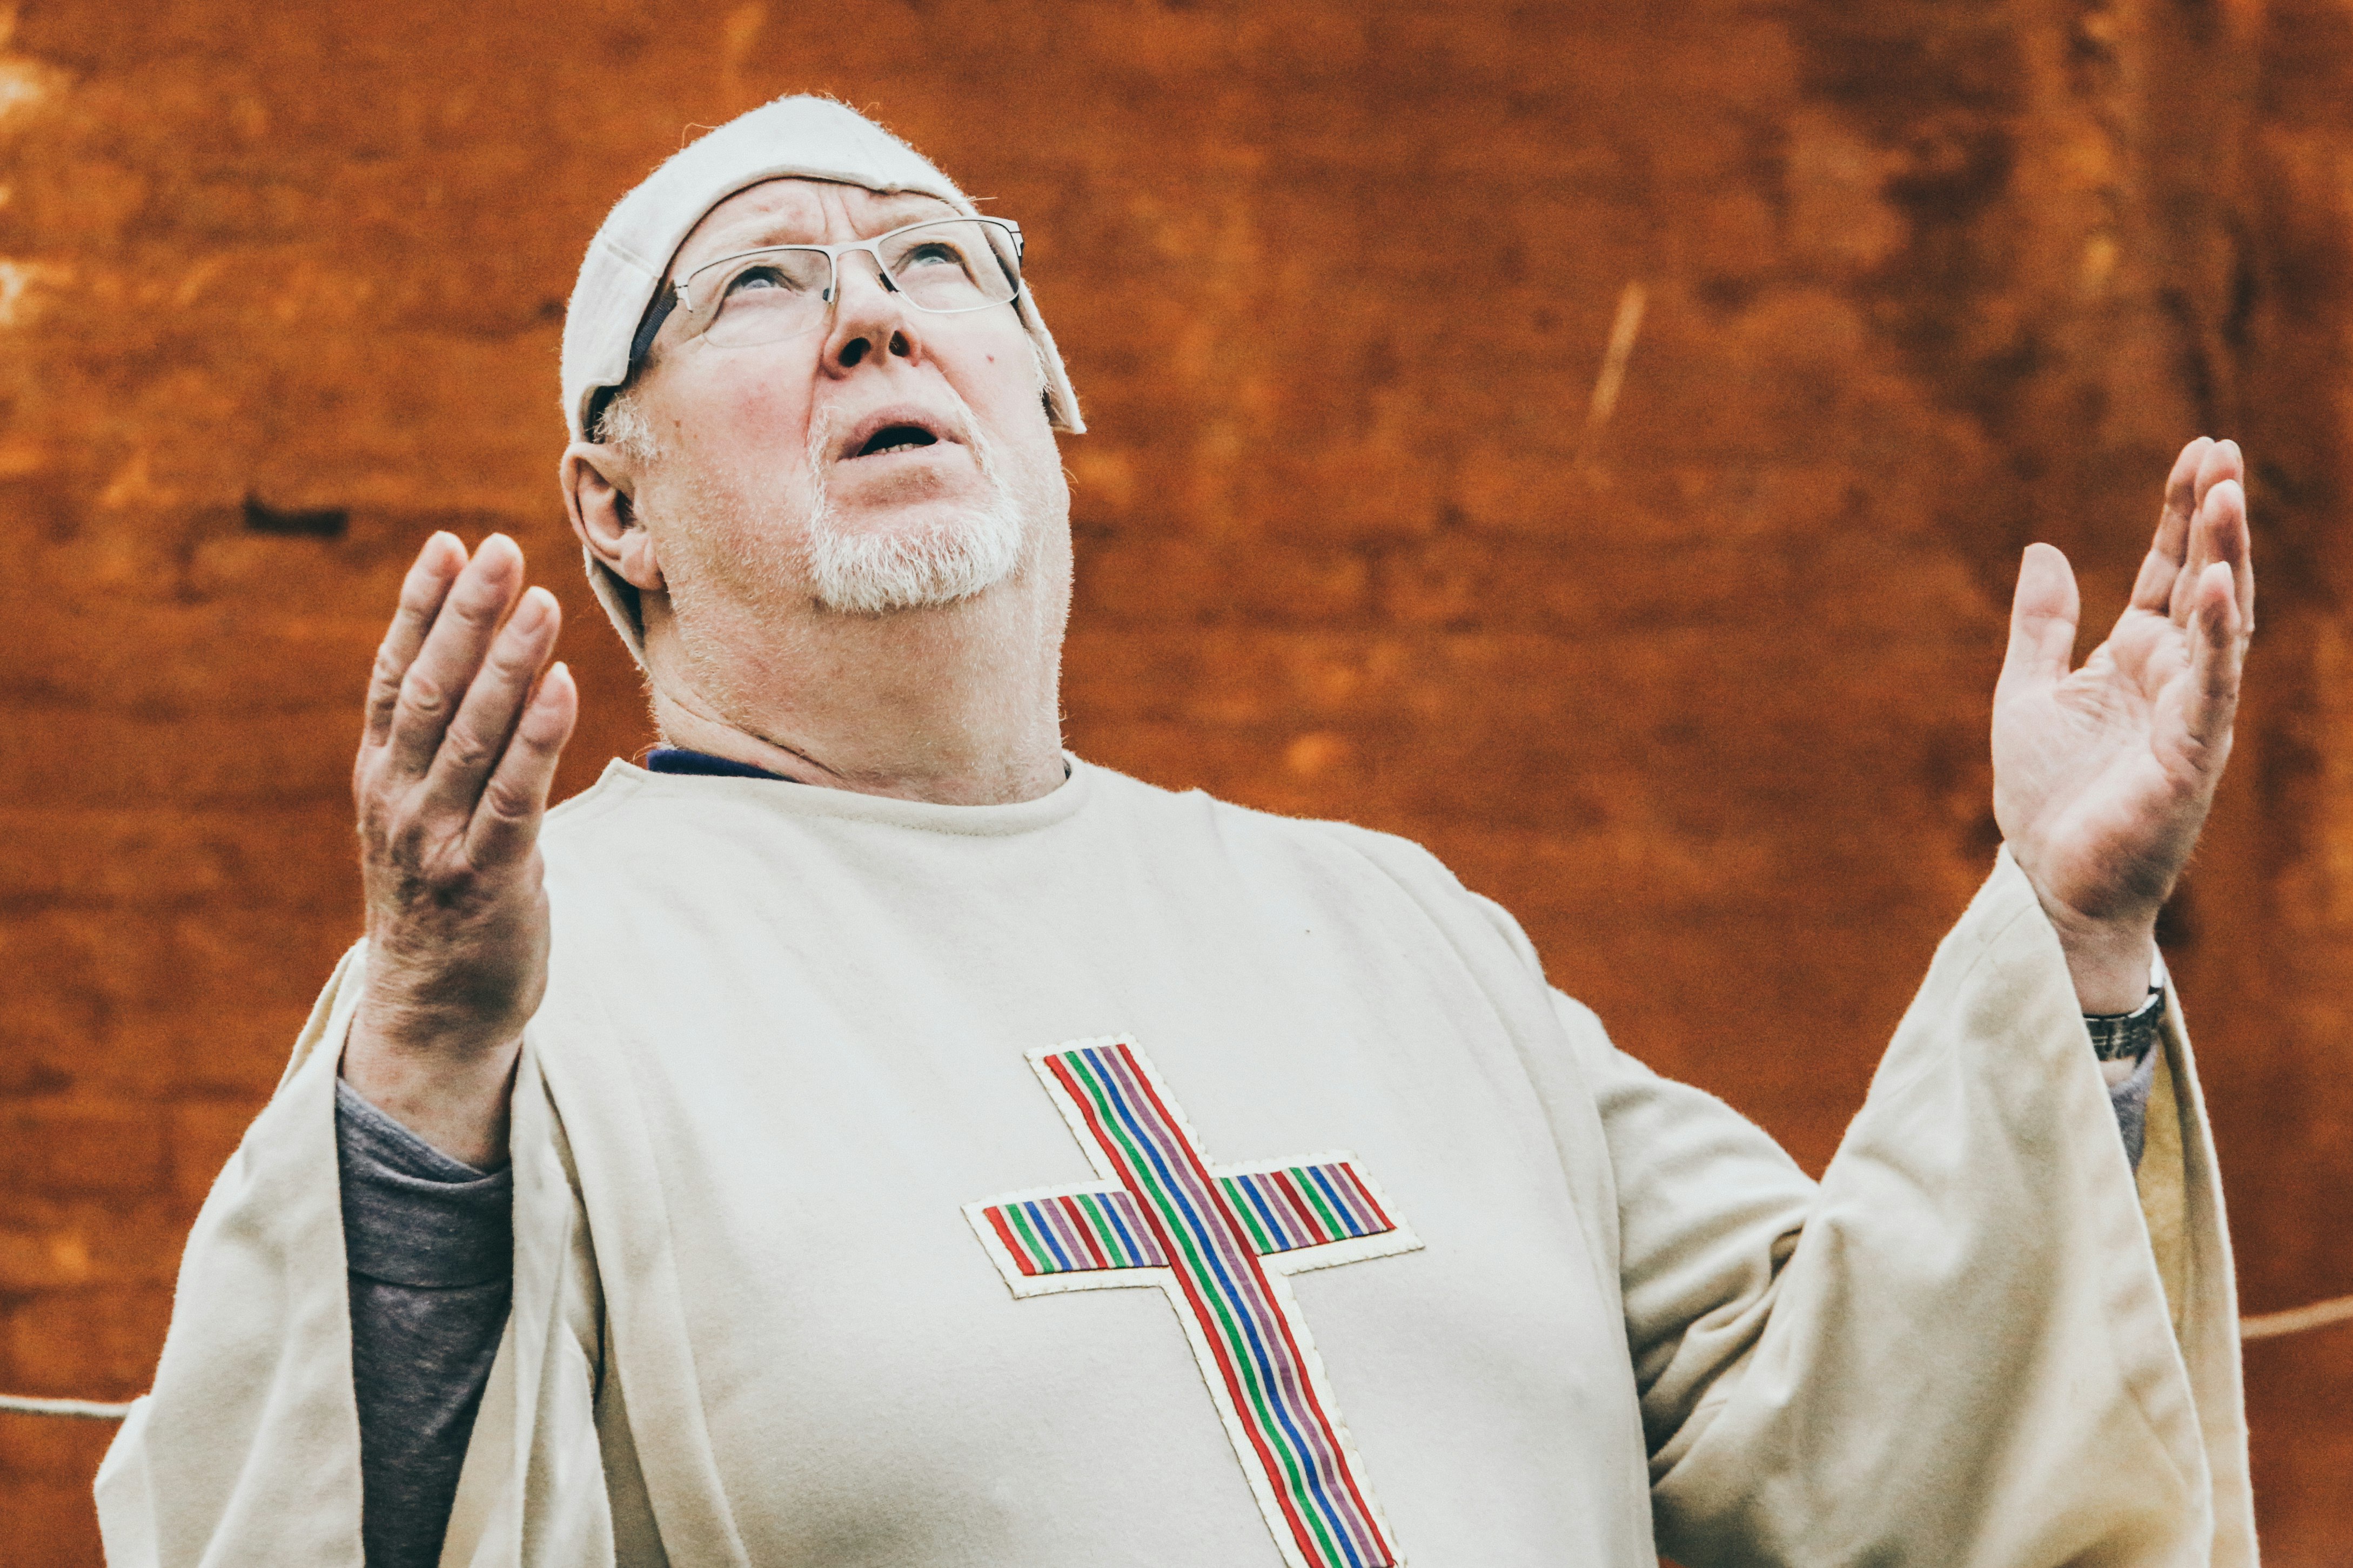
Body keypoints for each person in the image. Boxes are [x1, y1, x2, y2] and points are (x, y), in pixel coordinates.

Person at [95, 96, 2258, 1568]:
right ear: (615, 511)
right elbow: (320, 1509)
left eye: (937, 263)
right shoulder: (532, 987)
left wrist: (2060, 942)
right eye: (757, 286)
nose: (869, 307)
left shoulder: (1387, 929)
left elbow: (1862, 1423)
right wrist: (422, 1090)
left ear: (1043, 398)